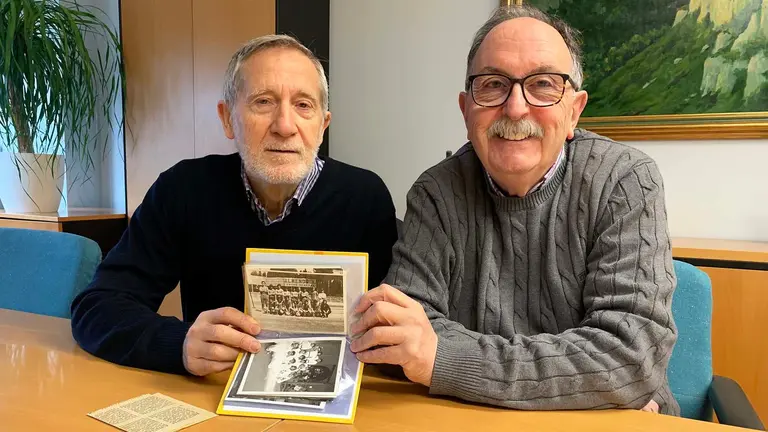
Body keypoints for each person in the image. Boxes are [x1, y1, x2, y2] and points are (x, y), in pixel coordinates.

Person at [349, 5, 679, 416]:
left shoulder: (625, 181)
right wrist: (585, 382)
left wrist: (446, 359)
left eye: (542, 84)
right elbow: (403, 338)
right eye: (493, 85)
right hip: (471, 417)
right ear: (466, 109)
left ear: (574, 109)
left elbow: (630, 359)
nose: (516, 108)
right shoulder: (435, 192)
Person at [70, 34, 398, 377]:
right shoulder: (183, 190)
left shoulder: (365, 199)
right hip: (214, 396)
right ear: (228, 119)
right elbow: (96, 307)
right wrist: (178, 343)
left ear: (322, 126)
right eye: (263, 102)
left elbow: (394, 332)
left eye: (303, 105)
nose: (285, 126)